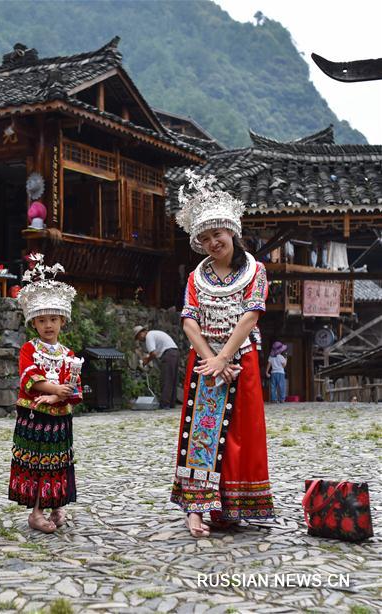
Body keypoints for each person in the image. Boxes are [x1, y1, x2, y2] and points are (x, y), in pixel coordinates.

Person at [172, 170, 276, 538]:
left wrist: (225, 359)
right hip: (203, 360)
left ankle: (230, 505)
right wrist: (211, 360)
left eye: (217, 233)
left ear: (231, 231)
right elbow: (188, 321)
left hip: (240, 357)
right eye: (205, 237)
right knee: (199, 433)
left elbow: (250, 316)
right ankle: (197, 510)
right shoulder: (196, 276)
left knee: (239, 434)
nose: (213, 241)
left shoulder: (255, 271)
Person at [10, 253, 83, 534]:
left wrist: (57, 397)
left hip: (59, 419)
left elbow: (74, 385)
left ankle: (57, 506)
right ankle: (36, 511)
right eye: (42, 321)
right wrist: (54, 389)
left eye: (54, 319)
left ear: (63, 322)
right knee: (38, 463)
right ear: (34, 324)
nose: (48, 325)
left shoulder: (69, 355)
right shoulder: (30, 349)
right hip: (35, 419)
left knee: (60, 462)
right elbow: (29, 377)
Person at [133, 325, 181, 409]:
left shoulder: (149, 336)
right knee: (172, 379)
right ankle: (171, 403)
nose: (139, 340)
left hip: (168, 354)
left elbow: (153, 353)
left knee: (166, 379)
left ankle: (165, 404)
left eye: (138, 337)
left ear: (142, 333)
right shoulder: (154, 334)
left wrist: (146, 361)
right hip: (174, 352)